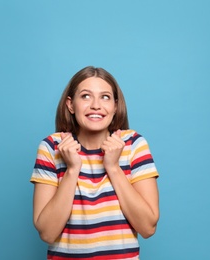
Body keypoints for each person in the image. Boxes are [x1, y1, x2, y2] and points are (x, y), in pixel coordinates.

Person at [30, 66, 160, 259]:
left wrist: (113, 168)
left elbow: (148, 227)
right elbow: (47, 233)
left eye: (105, 97)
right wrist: (72, 169)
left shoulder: (133, 144)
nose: (96, 105)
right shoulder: (52, 147)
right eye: (85, 96)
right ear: (70, 104)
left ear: (115, 106)